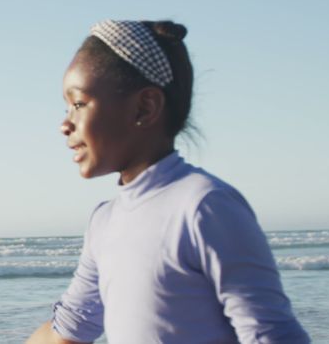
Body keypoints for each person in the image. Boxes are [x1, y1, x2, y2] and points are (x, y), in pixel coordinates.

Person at [27, 20, 309, 344]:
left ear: (146, 107)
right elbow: (67, 332)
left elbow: (273, 335)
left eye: (78, 104)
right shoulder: (104, 222)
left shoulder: (204, 207)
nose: (65, 124)